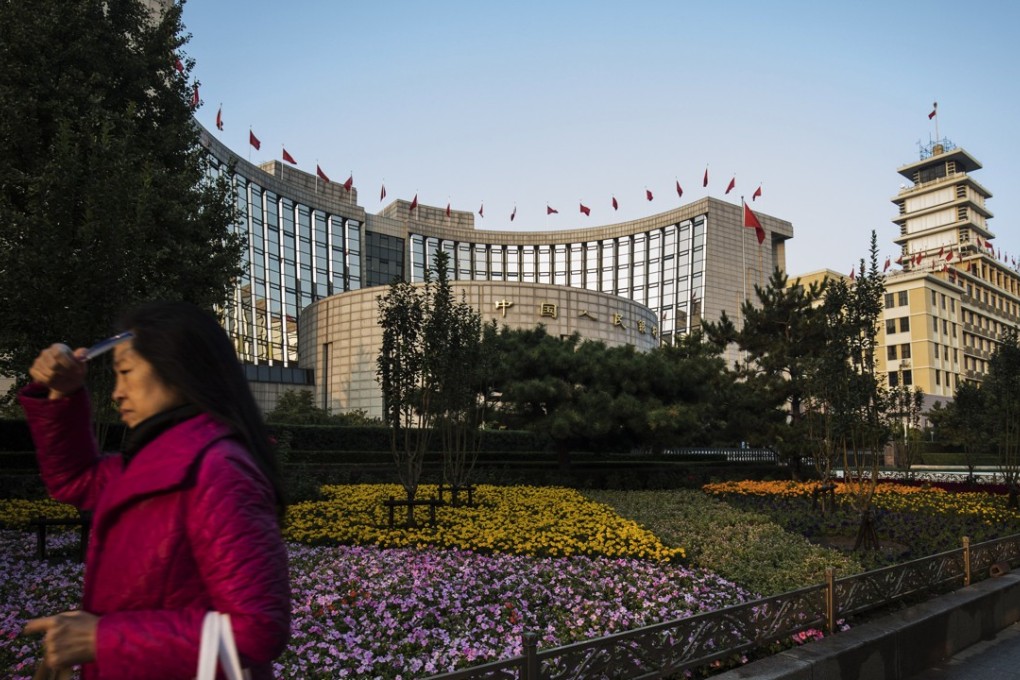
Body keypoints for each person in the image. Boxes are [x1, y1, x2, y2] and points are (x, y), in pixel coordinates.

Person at [19, 301, 291, 679]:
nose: (117, 393)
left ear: (177, 368)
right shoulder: (152, 460)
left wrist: (103, 638)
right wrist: (63, 393)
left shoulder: (219, 470)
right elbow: (75, 479)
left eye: (126, 372)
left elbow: (257, 629)